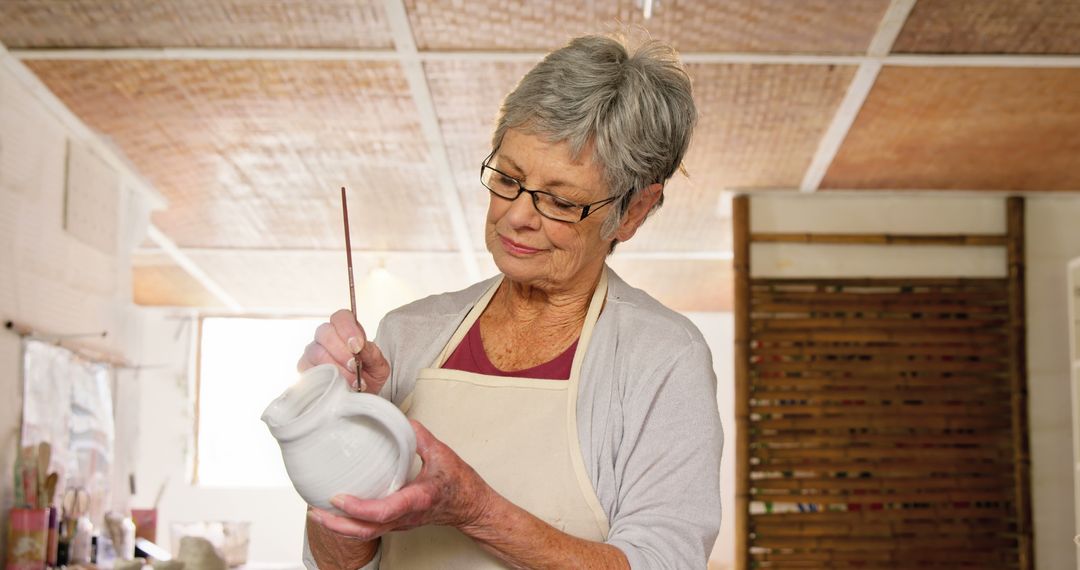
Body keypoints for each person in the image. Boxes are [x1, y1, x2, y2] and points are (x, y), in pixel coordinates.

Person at [298, 33, 722, 569]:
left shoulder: (661, 356)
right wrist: (337, 434)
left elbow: (664, 563)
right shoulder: (408, 333)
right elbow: (336, 563)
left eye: (561, 200)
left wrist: (475, 510)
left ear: (634, 211)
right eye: (508, 178)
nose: (518, 215)